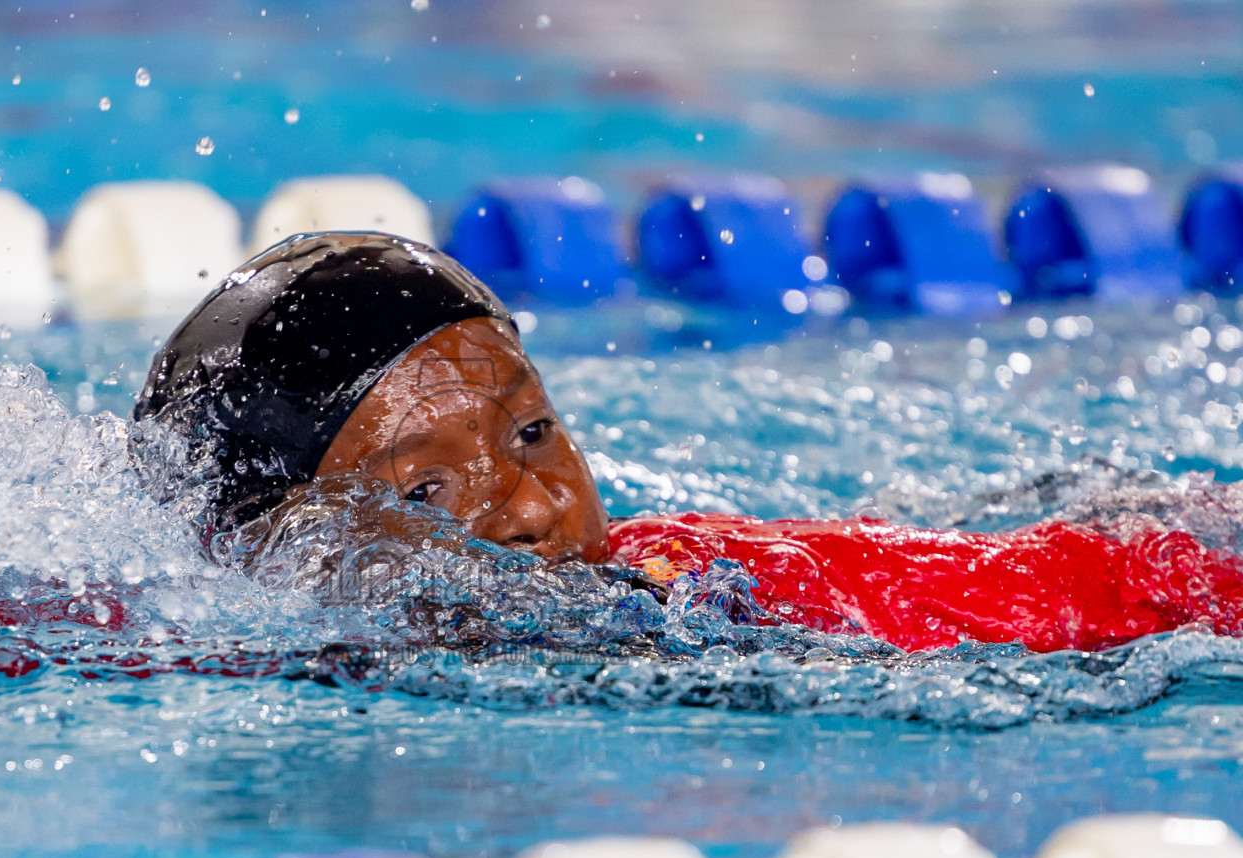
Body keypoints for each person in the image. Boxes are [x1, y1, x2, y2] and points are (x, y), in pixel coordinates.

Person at [132, 232, 1243, 655]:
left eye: (532, 432)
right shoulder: (209, 639)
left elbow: (1093, 584)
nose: (527, 507)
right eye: (424, 488)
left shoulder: (702, 588)